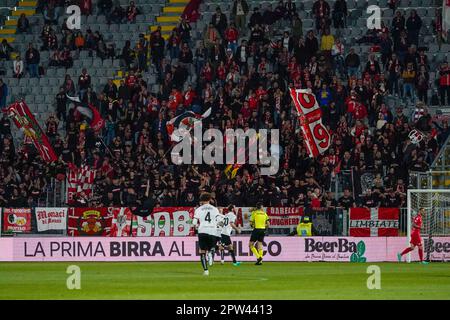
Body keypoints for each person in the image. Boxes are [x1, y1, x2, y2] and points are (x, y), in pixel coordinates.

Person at [192, 192, 223, 276]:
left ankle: (206, 271)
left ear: (201, 200)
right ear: (210, 199)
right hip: (212, 230)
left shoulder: (198, 209)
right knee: (211, 247)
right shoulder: (214, 209)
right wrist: (220, 229)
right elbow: (220, 220)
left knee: (202, 251)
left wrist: (195, 226)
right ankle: (211, 252)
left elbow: (194, 222)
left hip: (202, 230)